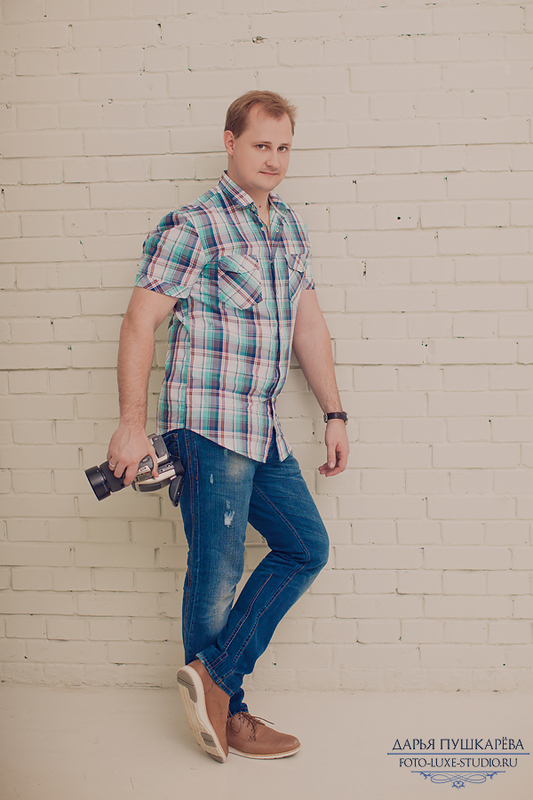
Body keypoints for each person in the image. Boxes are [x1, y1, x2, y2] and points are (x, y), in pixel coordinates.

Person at [106, 90, 349, 763]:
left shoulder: (289, 228)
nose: (273, 159)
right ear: (230, 143)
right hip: (207, 423)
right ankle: (226, 713)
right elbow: (140, 323)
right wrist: (130, 426)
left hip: (261, 428)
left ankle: (213, 679)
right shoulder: (194, 225)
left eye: (283, 147)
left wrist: (334, 412)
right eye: (261, 145)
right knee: (216, 571)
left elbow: (308, 328)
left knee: (305, 546)